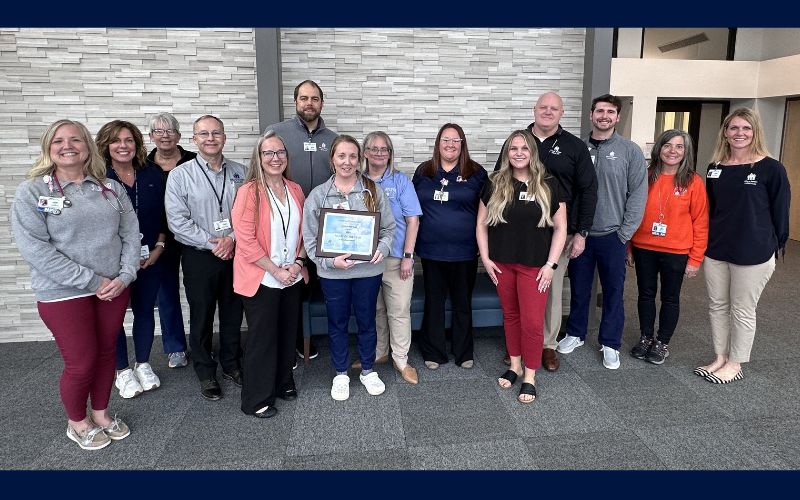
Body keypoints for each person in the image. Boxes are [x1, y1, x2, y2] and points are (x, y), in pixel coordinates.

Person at [11, 119, 140, 450]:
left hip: (112, 288)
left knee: (106, 353)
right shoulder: (33, 192)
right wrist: (93, 280)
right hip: (63, 293)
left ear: (88, 146)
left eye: (75, 139)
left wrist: (126, 275)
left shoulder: (110, 188)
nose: (67, 146)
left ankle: (100, 413)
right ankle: (77, 422)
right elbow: (36, 250)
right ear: (48, 148)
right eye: (58, 141)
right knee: (81, 361)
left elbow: (130, 234)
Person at [494, 91, 597, 371]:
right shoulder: (517, 142)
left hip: (557, 233)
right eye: (543, 107)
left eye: (554, 108)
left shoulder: (574, 147)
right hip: (518, 235)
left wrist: (582, 232)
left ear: (562, 113)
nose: (548, 112)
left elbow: (588, 190)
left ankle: (547, 345)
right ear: (534, 109)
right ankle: (518, 347)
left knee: (548, 288)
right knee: (518, 293)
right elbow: (499, 183)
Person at [695, 108, 790, 384]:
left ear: (755, 132)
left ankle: (735, 363)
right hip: (717, 248)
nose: (740, 133)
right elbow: (712, 210)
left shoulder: (771, 168)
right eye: (734, 128)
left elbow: (781, 211)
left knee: (742, 309)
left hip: (753, 252)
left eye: (746, 128)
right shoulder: (715, 168)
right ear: (725, 132)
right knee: (717, 305)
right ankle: (720, 357)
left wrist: (775, 245)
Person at [557, 94, 647, 370]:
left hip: (612, 235)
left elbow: (638, 194)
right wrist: (571, 230)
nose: (604, 116)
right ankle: (575, 333)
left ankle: (610, 343)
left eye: (610, 112)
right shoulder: (577, 148)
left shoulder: (630, 151)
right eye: (599, 111)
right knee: (579, 288)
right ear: (591, 115)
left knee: (613, 292)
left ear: (617, 117)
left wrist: (624, 234)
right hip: (579, 235)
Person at [302, 135, 395, 401]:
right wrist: (330, 262)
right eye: (341, 156)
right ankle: (341, 373)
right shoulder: (318, 195)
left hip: (368, 273)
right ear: (332, 159)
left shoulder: (372, 192)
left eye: (352, 156)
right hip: (333, 274)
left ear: (359, 159)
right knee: (337, 323)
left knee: (367, 322)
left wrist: (383, 248)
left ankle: (367, 370)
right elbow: (309, 240)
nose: (347, 162)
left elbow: (389, 229)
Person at [478, 130, 567, 403]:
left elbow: (561, 228)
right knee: (511, 316)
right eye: (513, 148)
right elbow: (481, 224)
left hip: (535, 266)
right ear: (507, 153)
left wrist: (551, 265)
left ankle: (530, 375)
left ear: (532, 153)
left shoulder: (549, 183)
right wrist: (486, 259)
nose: (518, 153)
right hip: (502, 264)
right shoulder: (494, 182)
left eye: (524, 148)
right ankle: (515, 365)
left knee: (532, 322)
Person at [165, 115, 246, 401]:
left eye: (216, 133)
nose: (210, 138)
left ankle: (231, 364)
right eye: (204, 134)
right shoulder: (180, 175)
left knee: (233, 313)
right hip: (200, 256)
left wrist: (231, 239)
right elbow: (177, 222)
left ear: (224, 137)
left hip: (236, 253)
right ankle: (205, 371)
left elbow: (250, 213)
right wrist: (213, 244)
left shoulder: (241, 172)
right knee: (202, 315)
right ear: (194, 139)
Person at [232, 131, 308, 418]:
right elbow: (246, 240)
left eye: (280, 152)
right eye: (269, 153)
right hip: (262, 277)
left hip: (292, 275)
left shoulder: (295, 189)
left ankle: (283, 382)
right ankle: (256, 399)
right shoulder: (248, 192)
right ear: (259, 157)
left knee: (287, 334)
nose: (275, 158)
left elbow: (305, 232)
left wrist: (297, 264)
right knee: (262, 338)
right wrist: (275, 270)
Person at [265, 80, 338, 363]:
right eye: (304, 98)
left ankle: (316, 334)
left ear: (322, 103)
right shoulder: (277, 133)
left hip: (325, 226)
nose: (309, 103)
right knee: (291, 283)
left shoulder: (333, 139)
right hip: (287, 224)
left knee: (320, 281)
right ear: (295, 102)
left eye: (315, 98)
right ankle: (294, 340)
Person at [96, 120, 168, 398]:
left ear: (137, 144)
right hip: (112, 262)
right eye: (116, 141)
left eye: (129, 140)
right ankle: (123, 371)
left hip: (149, 256)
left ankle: (143, 364)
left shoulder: (152, 173)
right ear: (105, 146)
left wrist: (159, 246)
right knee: (113, 317)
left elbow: (165, 214)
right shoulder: (97, 178)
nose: (123, 146)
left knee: (145, 310)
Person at [626, 130, 709, 365]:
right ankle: (646, 337)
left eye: (679, 147)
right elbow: (632, 212)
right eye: (668, 145)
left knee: (670, 298)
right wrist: (629, 247)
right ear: (659, 148)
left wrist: (695, 259)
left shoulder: (693, 181)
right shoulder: (645, 176)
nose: (673, 151)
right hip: (644, 247)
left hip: (677, 251)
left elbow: (701, 222)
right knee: (645, 294)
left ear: (686, 151)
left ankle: (662, 342)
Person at [412, 123, 487, 370]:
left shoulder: (476, 172)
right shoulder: (424, 171)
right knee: (434, 301)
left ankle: (463, 351)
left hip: (465, 251)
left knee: (462, 302)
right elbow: (412, 208)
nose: (451, 144)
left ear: (463, 144)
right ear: (438, 143)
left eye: (456, 140)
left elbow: (488, 211)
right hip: (431, 251)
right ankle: (433, 351)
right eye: (446, 139)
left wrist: (486, 244)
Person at [358, 131, 422, 384]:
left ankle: (401, 359)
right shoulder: (356, 180)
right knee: (375, 309)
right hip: (366, 261)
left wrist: (408, 256)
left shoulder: (400, 181)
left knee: (399, 310)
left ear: (390, 153)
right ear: (365, 152)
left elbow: (413, 220)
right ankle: (380, 352)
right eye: (373, 148)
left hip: (396, 259)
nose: (379, 153)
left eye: (384, 149)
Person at [145, 112, 196, 369]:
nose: (165, 136)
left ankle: (201, 342)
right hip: (160, 239)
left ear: (179, 135)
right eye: (159, 131)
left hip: (193, 235)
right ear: (151, 136)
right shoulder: (143, 166)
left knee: (198, 290)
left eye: (170, 131)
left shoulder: (194, 161)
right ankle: (175, 347)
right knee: (166, 293)